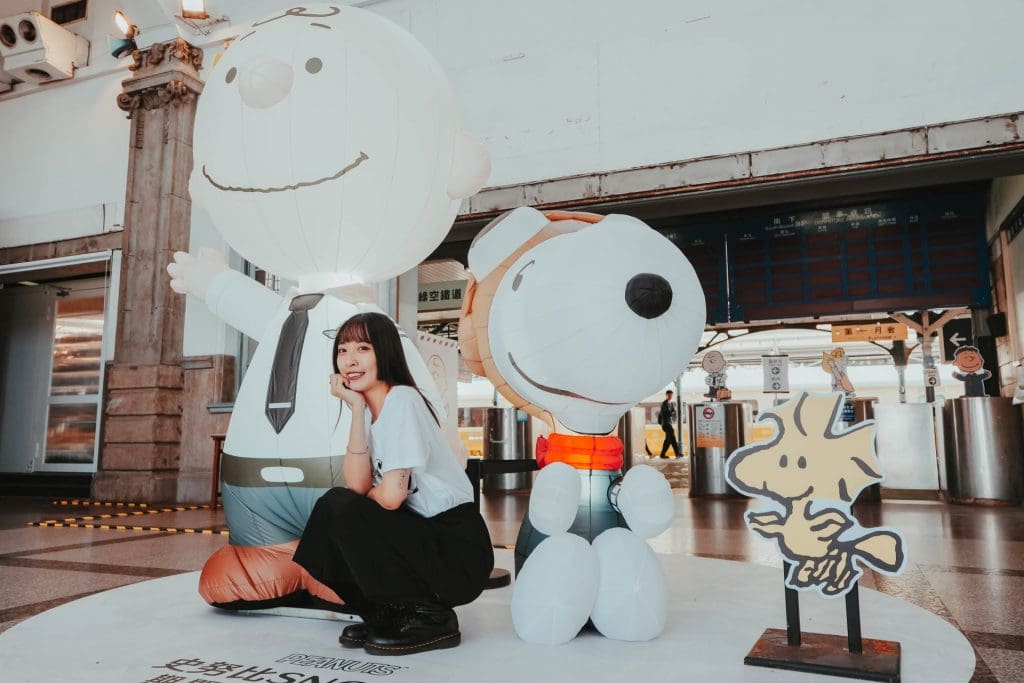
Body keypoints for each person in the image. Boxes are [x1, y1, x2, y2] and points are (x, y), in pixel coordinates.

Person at [293, 312, 493, 656]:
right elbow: (357, 486)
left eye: (362, 348)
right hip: (421, 535)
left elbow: (390, 497)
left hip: (455, 547)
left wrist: (363, 506)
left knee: (340, 508)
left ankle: (432, 618)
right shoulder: (373, 412)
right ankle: (389, 613)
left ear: (384, 352)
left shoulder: (402, 399)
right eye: (342, 350)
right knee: (334, 507)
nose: (349, 360)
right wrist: (357, 409)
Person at [658, 389, 680, 458]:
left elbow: (673, 413)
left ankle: (663, 454)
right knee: (672, 438)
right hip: (666, 424)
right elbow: (668, 413)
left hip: (669, 423)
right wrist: (672, 413)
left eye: (671, 395)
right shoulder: (664, 404)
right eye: (669, 395)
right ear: (666, 395)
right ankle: (677, 454)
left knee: (669, 439)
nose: (670, 396)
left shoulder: (671, 404)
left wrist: (672, 413)